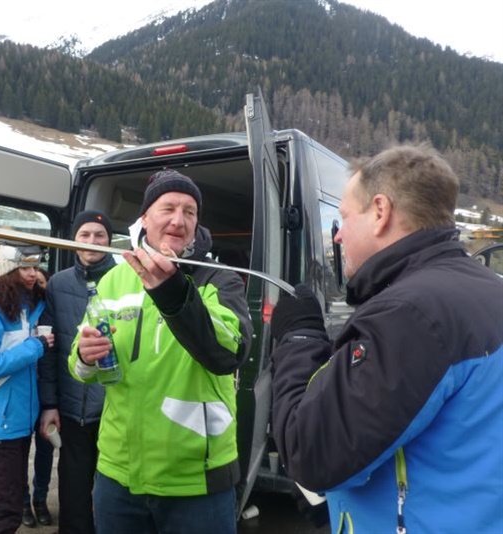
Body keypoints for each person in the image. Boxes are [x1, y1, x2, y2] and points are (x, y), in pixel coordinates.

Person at [269, 144, 503, 533]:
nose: (338, 236)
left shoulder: (409, 315)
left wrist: (299, 338)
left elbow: (310, 454)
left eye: (344, 217)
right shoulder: (488, 289)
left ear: (380, 212)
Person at [70, 170, 252, 533]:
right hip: (118, 474)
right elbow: (78, 359)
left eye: (189, 212)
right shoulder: (114, 279)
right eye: (168, 208)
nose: (178, 220)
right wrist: (85, 356)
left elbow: (228, 352)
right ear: (145, 218)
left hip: (197, 480)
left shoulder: (218, 278)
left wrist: (173, 292)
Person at [38, 210, 116, 533]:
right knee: (73, 494)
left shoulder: (125, 282)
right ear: (74, 240)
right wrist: (49, 404)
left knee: (115, 498)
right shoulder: (58, 284)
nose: (92, 241)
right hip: (72, 412)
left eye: (99, 235)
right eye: (84, 234)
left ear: (109, 241)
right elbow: (49, 351)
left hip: (115, 410)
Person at [0, 245, 55, 534]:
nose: (32, 274)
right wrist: (35, 346)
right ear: (7, 270)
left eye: (36, 267)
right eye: (24, 267)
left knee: (10, 506)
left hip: (18, 421)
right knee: (6, 512)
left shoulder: (22, 305)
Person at [22, 265, 54, 528]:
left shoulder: (50, 309)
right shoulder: (15, 310)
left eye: (43, 283)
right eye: (36, 282)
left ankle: (40, 499)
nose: (38, 286)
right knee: (19, 454)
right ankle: (23, 503)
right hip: (23, 391)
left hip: (46, 390)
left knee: (45, 451)